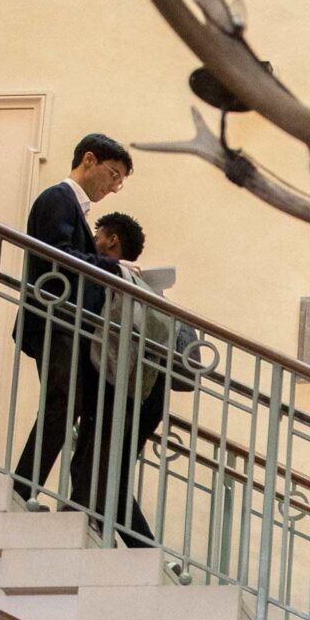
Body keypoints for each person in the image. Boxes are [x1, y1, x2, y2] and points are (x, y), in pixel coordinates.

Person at [13, 132, 132, 505]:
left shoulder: (72, 206)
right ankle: (20, 490)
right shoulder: (58, 198)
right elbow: (60, 256)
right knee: (64, 401)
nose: (114, 188)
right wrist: (113, 268)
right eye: (113, 175)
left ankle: (24, 488)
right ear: (89, 161)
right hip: (53, 315)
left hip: (65, 318)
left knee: (69, 402)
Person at [70, 209, 189, 545]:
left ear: (112, 241)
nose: (94, 244)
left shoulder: (118, 283)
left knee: (96, 470)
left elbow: (118, 348)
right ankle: (143, 552)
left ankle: (87, 521)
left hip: (127, 391)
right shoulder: (150, 287)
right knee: (110, 479)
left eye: (98, 238)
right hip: (148, 394)